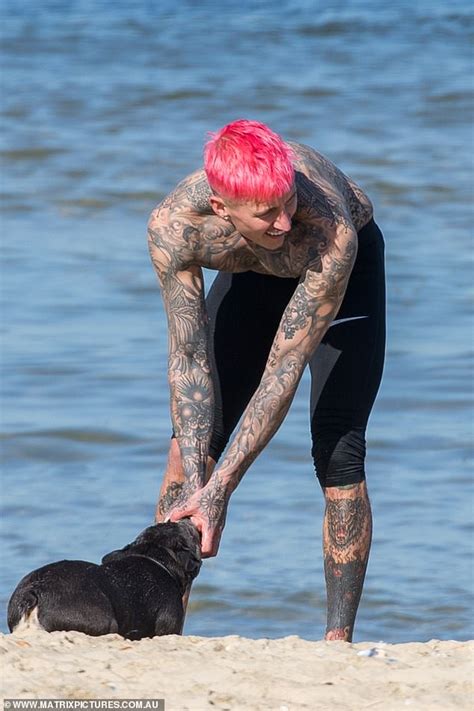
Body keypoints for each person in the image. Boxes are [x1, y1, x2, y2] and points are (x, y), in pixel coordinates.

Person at [147, 119, 385, 642]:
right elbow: (187, 358)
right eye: (266, 213)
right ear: (221, 209)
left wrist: (222, 489)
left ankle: (337, 643)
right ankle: (162, 628)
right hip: (251, 274)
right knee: (189, 447)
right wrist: (198, 484)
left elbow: (283, 372)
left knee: (338, 448)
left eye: (287, 202)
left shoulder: (326, 228)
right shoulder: (175, 227)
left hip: (338, 275)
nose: (283, 221)